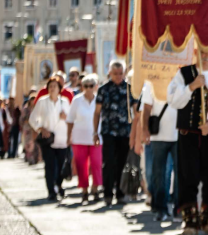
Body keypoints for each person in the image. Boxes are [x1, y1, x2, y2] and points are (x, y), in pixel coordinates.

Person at [167, 47, 208, 235]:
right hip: (189, 134)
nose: (207, 57)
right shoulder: (184, 74)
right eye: (203, 53)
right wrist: (191, 87)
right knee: (188, 175)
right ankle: (190, 222)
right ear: (196, 54)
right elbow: (173, 100)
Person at [93, 61, 136, 207]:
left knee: (122, 163)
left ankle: (121, 193)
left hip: (125, 132)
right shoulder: (103, 89)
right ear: (110, 73)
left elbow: (136, 111)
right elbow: (97, 112)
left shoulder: (130, 89)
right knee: (109, 163)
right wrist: (95, 132)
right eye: (115, 73)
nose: (118, 76)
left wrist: (136, 133)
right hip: (108, 132)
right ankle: (107, 193)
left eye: (120, 73)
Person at [139, 80, 178, 221]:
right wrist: (144, 129)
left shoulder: (181, 79)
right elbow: (146, 108)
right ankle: (161, 209)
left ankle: (178, 208)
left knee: (180, 174)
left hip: (179, 135)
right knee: (159, 174)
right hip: (158, 136)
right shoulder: (151, 82)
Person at [30, 78, 71, 201]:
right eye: (50, 86)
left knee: (61, 165)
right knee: (50, 166)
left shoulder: (65, 102)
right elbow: (33, 119)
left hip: (62, 139)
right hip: (48, 139)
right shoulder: (42, 102)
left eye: (55, 86)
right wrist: (41, 128)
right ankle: (51, 191)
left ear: (59, 89)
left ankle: (58, 185)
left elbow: (71, 119)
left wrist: (66, 117)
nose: (52, 88)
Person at [66, 74, 102, 205]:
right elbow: (70, 120)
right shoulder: (77, 100)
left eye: (91, 86)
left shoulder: (100, 100)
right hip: (79, 138)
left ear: (95, 86)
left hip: (96, 138)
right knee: (81, 166)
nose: (88, 89)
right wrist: (68, 136)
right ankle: (84, 191)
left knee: (97, 164)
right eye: (85, 86)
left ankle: (95, 188)